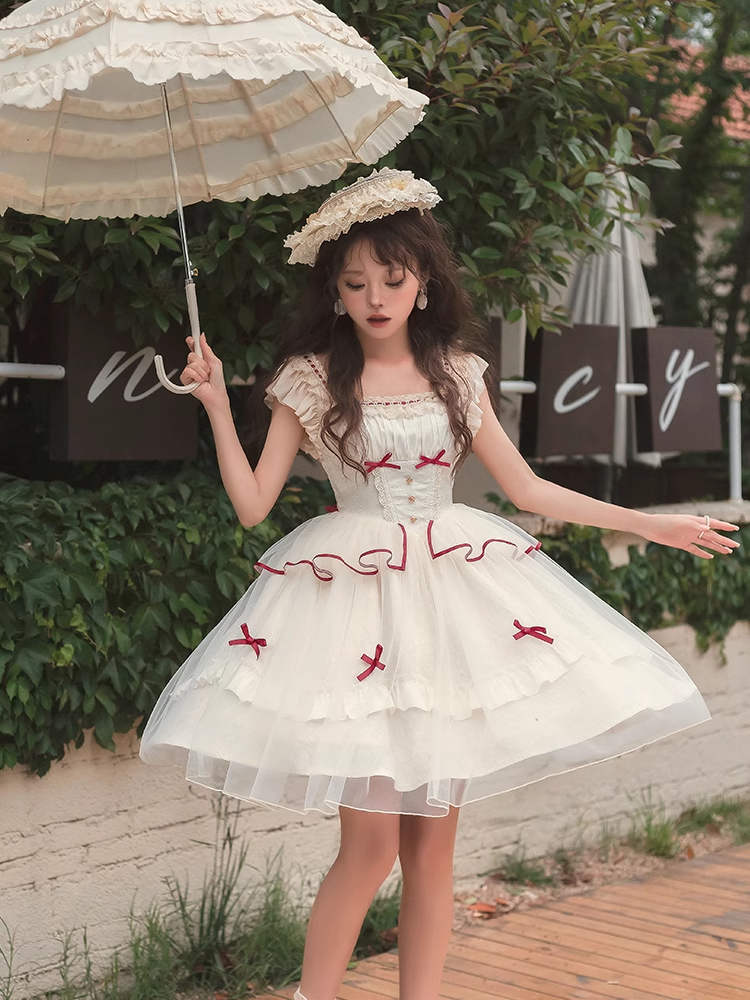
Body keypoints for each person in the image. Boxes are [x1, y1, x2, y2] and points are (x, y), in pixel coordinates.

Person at [140, 167, 739, 1000]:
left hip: (450, 607)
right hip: (351, 608)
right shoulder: (311, 379)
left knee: (431, 850)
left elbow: (527, 491)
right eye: (356, 283)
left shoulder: (458, 373)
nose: (376, 296)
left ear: (423, 283)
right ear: (335, 292)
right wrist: (211, 403)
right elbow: (251, 507)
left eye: (393, 278)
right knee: (372, 844)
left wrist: (652, 523)